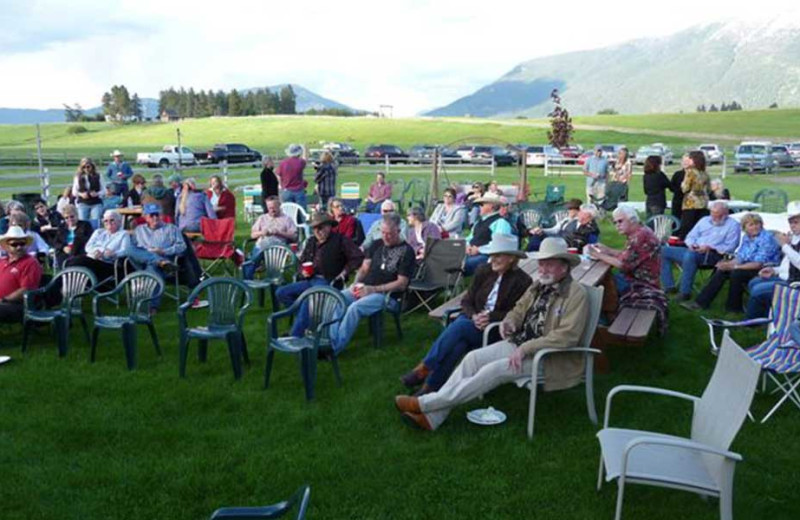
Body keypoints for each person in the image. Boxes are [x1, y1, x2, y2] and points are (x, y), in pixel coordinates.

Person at [394, 237, 588, 431]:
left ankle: (425, 404)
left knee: (493, 370)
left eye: (550, 265)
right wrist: (508, 322)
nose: (543, 269)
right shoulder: (537, 286)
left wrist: (526, 347)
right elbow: (518, 310)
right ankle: (433, 418)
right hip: (519, 344)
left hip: (549, 357)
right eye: (541, 263)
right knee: (472, 358)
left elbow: (567, 336)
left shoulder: (575, 293)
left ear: (564, 267)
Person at [400, 234, 532, 396]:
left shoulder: (523, 281)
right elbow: (467, 301)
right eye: (492, 255)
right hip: (473, 322)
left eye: (498, 255)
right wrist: (474, 316)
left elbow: (517, 313)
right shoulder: (484, 270)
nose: (493, 259)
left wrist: (490, 317)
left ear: (512, 258)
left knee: (460, 327)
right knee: (458, 345)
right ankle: (430, 389)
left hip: (496, 330)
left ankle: (425, 368)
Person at [327, 213, 415, 353]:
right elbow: (364, 268)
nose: (385, 237)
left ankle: (335, 348)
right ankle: (330, 340)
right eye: (383, 232)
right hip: (365, 288)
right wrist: (355, 283)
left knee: (354, 309)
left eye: (389, 234)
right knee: (336, 299)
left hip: (388, 296)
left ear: (398, 231)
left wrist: (372, 289)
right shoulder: (376, 244)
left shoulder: (407, 251)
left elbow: (402, 283)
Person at [276, 213, 364, 337]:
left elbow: (358, 257)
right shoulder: (311, 241)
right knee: (281, 293)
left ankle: (295, 335)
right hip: (310, 279)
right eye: (314, 228)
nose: (317, 231)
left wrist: (344, 272)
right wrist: (303, 271)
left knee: (309, 300)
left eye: (321, 227)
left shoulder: (340, 240)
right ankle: (309, 320)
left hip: (329, 281)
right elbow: (302, 262)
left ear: (329, 226)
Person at [588, 206, 667, 334]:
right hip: (638, 278)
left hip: (640, 283)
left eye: (620, 221)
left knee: (598, 288)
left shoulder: (639, 237)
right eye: (615, 222)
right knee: (605, 281)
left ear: (633, 220)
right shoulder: (641, 231)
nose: (617, 225)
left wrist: (596, 254)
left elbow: (622, 264)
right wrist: (608, 250)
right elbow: (629, 255)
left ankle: (602, 324)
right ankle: (606, 317)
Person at [682, 213, 779, 313]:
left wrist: (735, 267)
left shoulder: (766, 238)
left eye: (757, 224)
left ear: (761, 224)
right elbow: (741, 256)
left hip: (765, 269)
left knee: (736, 273)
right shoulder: (747, 237)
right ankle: (700, 303)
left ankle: (734, 307)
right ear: (744, 228)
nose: (755, 227)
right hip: (749, 265)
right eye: (751, 225)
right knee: (722, 270)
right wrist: (728, 264)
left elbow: (758, 264)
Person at [660, 200, 741, 301]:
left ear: (726, 214)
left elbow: (731, 246)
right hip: (694, 249)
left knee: (690, 256)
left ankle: (685, 292)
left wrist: (710, 247)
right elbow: (690, 236)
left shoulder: (733, 225)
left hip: (713, 255)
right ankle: (669, 286)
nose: (714, 217)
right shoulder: (704, 220)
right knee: (661, 251)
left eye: (718, 215)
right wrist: (691, 244)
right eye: (712, 213)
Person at [127, 204, 201, 313]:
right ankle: (159, 261)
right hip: (144, 263)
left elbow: (182, 247)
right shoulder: (139, 230)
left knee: (153, 268)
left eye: (157, 214)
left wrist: (163, 251)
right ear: (145, 217)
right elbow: (134, 250)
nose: (155, 218)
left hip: (167, 265)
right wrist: (152, 255)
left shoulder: (171, 228)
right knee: (129, 249)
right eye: (152, 215)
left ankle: (152, 306)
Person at [746, 201, 800, 318]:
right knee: (754, 282)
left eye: (796, 222)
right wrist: (774, 270)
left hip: (795, 284)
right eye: (790, 222)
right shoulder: (795, 237)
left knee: (757, 290)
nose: (792, 225)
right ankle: (767, 316)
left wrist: (785, 246)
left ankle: (750, 323)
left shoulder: (791, 241)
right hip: (787, 278)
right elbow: (788, 265)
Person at [65, 210, 130, 285]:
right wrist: (98, 251)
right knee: (72, 262)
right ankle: (68, 286)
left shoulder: (123, 234)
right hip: (93, 259)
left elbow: (126, 251)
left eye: (112, 220)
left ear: (119, 221)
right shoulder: (98, 232)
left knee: (79, 261)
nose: (108, 223)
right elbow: (88, 247)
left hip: (108, 265)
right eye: (106, 221)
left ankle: (66, 285)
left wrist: (114, 253)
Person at [242, 197, 297, 280]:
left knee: (255, 261)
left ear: (279, 206)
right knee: (255, 257)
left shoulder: (287, 219)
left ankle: (274, 284)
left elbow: (294, 236)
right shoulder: (262, 218)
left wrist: (279, 232)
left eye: (274, 208)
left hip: (277, 249)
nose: (272, 210)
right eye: (270, 208)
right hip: (262, 246)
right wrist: (262, 233)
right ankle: (247, 284)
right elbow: (252, 235)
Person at [463, 193, 514, 276]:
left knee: (462, 264)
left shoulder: (500, 222)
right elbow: (469, 238)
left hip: (488, 257)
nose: (479, 207)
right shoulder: (478, 222)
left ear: (491, 206)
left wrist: (479, 249)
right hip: (471, 253)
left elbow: (499, 246)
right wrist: (467, 246)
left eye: (481, 204)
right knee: (449, 260)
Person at [0, 226, 43, 323]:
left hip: (18, 305)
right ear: (7, 246)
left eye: (22, 243)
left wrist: (4, 300)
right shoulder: (2, 262)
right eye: (14, 244)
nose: (19, 247)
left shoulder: (30, 263)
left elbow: (26, 289)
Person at [528, 202, 597, 252]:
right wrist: (541, 230)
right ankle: (529, 256)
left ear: (591, 218)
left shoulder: (590, 228)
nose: (581, 218)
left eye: (586, 217)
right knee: (536, 236)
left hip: (564, 246)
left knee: (541, 244)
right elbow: (556, 230)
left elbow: (581, 242)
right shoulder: (572, 221)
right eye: (581, 214)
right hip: (557, 240)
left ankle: (531, 256)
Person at [676, 150, 710, 239]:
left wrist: (682, 184)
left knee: (687, 227)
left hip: (691, 203)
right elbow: (709, 189)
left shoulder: (690, 172)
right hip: (703, 203)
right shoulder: (704, 173)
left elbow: (685, 188)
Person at [52, 204, 93, 269]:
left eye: (72, 216)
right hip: (65, 251)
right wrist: (63, 247)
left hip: (80, 250)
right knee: (61, 257)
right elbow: (55, 242)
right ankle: (65, 274)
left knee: (77, 242)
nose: (69, 219)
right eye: (66, 218)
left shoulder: (85, 225)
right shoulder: (62, 227)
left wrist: (73, 248)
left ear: (77, 215)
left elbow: (89, 239)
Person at [73, 157, 105, 225]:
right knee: (82, 223)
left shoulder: (98, 176)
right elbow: (74, 192)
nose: (86, 169)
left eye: (88, 167)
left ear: (92, 166)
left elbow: (104, 190)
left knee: (95, 222)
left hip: (96, 202)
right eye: (84, 167)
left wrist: (97, 194)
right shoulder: (78, 177)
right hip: (83, 202)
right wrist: (81, 194)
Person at [276, 144, 307, 209]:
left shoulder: (283, 163)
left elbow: (278, 175)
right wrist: (305, 149)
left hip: (287, 190)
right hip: (299, 190)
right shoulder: (300, 162)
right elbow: (305, 159)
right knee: (301, 211)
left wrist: (282, 186)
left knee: (288, 211)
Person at [670, 154, 689, 220]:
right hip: (678, 201)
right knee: (675, 219)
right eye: (683, 161)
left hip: (689, 202)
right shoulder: (677, 174)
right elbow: (671, 187)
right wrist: (679, 189)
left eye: (687, 161)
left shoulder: (695, 175)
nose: (685, 163)